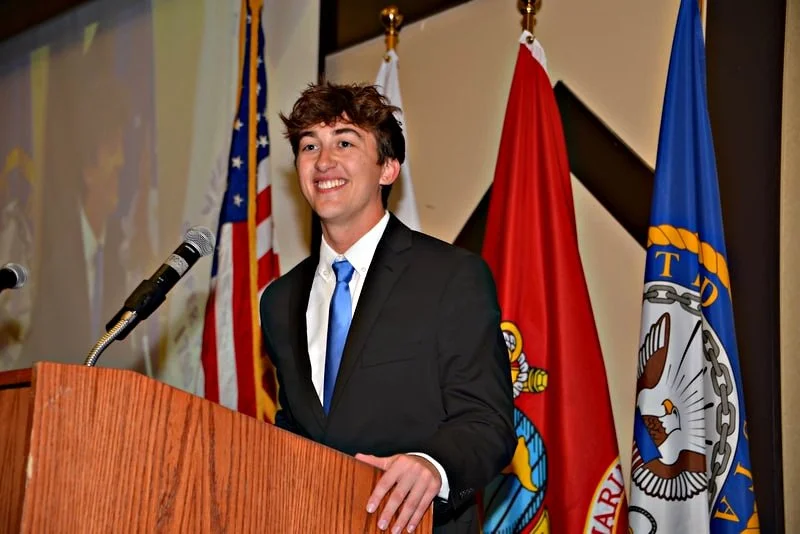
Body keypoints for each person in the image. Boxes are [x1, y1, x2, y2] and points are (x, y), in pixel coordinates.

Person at [259, 82, 515, 533]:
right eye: (309, 146)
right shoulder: (279, 300)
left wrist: (433, 465)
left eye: (344, 143)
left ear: (388, 168)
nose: (323, 161)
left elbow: (488, 422)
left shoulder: (451, 277)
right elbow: (299, 428)